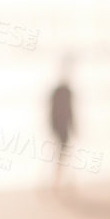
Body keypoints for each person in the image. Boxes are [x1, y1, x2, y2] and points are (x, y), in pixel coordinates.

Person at [49, 56, 76, 191]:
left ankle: (60, 182)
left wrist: (74, 127)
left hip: (62, 126)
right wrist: (53, 126)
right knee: (61, 155)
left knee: (62, 155)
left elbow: (71, 111)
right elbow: (53, 111)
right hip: (60, 126)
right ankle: (58, 182)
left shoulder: (67, 91)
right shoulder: (58, 91)